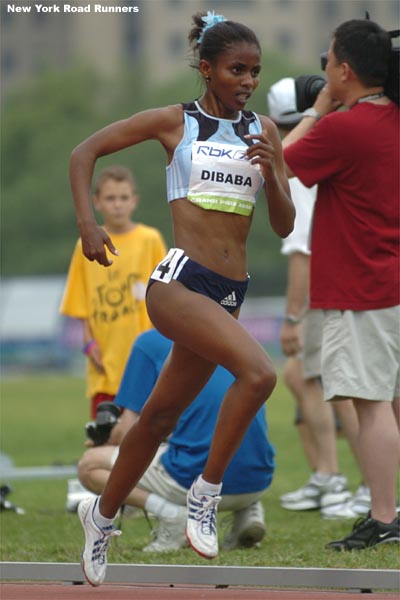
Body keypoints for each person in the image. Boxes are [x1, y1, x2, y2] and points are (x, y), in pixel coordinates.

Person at [69, 10, 294, 586]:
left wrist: (271, 175)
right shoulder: (175, 122)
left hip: (231, 292)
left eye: (254, 71)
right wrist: (88, 225)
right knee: (260, 374)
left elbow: (286, 225)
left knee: (158, 416)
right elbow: (83, 153)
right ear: (206, 69)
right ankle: (206, 493)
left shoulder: (264, 131)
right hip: (178, 282)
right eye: (235, 69)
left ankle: (102, 514)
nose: (247, 80)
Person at [283, 19, 399, 550]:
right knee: (392, 401)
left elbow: (281, 161)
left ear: (345, 70)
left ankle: (382, 516)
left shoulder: (342, 127)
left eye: (328, 61)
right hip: (391, 280)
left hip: (362, 287)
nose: (323, 69)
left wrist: (316, 107)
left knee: (370, 404)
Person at [78, 329, 274, 553]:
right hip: (257, 481)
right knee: (219, 435)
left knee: (89, 465)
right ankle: (249, 511)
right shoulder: (238, 334)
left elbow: (127, 431)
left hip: (195, 483)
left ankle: (171, 515)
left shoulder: (148, 342)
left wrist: (105, 440)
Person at [268, 77, 366, 517]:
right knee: (308, 379)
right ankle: (332, 479)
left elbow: (301, 250)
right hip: (339, 285)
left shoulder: (303, 159)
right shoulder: (337, 143)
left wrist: (292, 317)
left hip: (322, 291)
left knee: (332, 386)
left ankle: (344, 483)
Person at [60, 165, 166, 418]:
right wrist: (88, 343)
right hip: (105, 368)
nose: (117, 204)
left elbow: (166, 298)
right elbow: (80, 302)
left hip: (145, 363)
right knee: (104, 440)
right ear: (96, 202)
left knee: (146, 440)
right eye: (110, 198)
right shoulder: (86, 243)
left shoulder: (150, 240)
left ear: (134, 201)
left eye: (123, 197)